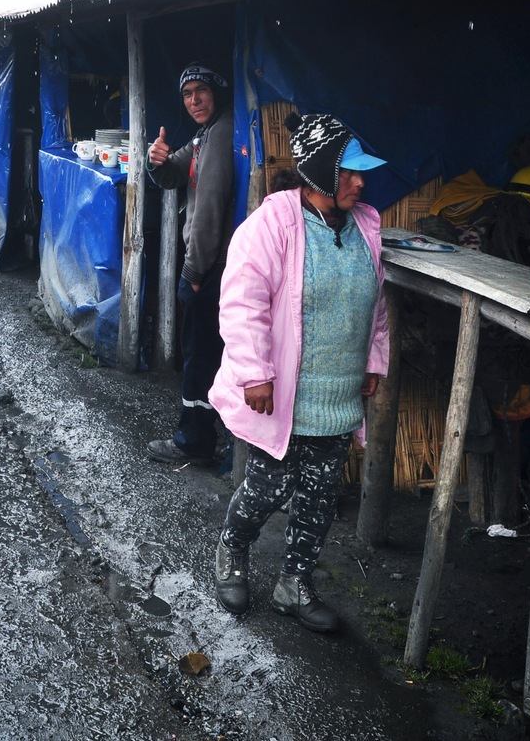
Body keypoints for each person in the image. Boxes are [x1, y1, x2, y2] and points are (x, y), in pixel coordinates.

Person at [209, 112, 389, 632]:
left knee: (318, 500)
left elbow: (375, 306)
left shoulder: (365, 227)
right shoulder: (272, 225)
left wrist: (374, 361)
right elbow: (243, 304)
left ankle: (294, 584)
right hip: (282, 392)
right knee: (266, 489)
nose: (361, 181)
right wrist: (255, 373)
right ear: (318, 171)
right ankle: (232, 551)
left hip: (337, 395)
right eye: (350, 172)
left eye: (361, 172)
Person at [146, 63, 235, 465]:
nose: (194, 100)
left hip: (213, 264)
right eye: (186, 94)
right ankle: (212, 436)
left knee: (200, 350)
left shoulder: (220, 134)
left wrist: (194, 271)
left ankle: (193, 439)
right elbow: (171, 175)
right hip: (213, 263)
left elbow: (210, 209)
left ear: (218, 92)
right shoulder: (204, 135)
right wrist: (157, 159)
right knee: (209, 349)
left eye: (201, 90)